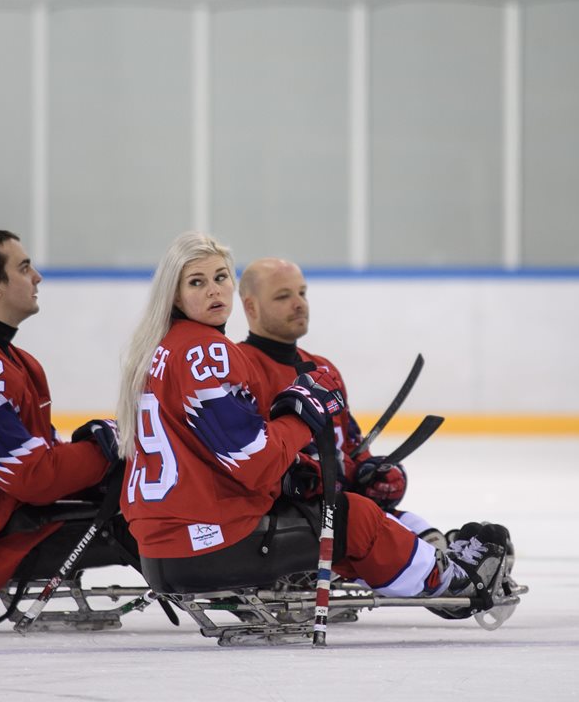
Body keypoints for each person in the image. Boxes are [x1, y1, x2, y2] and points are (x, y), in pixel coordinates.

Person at [114, 232, 510, 620]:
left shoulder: (162, 348)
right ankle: (452, 583)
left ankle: (431, 555)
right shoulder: (207, 351)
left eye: (220, 278)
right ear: (176, 294)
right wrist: (302, 420)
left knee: (349, 508)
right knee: (349, 516)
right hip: (209, 542)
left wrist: (360, 469)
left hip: (165, 544)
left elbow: (224, 455)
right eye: (197, 282)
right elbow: (254, 461)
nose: (214, 291)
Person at [0, 230, 130, 608]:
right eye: (24, 267)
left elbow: (42, 464)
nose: (37, 278)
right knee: (144, 515)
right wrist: (110, 450)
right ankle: (220, 574)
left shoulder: (12, 362)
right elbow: (32, 476)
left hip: (15, 524)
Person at [236, 257, 445, 548]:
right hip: (287, 523)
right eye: (283, 296)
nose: (299, 303)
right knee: (400, 547)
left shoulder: (323, 369)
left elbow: (349, 445)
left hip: (339, 511)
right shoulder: (239, 369)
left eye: (302, 292)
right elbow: (246, 459)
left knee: (428, 538)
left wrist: (370, 472)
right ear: (251, 307)